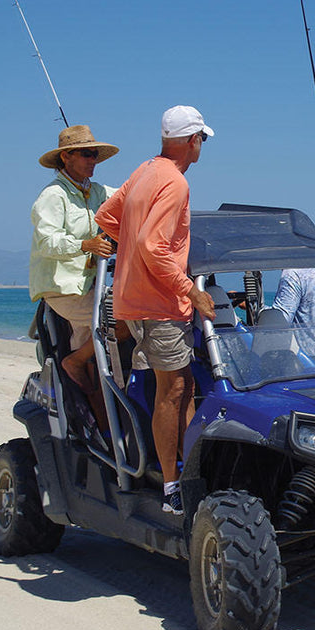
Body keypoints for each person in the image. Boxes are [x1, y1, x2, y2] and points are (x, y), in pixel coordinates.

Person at [95, 105, 216, 515]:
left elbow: (107, 216)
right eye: (202, 139)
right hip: (160, 304)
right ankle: (173, 489)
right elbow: (152, 244)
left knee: (180, 387)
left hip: (133, 301)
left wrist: (129, 252)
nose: (202, 146)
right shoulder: (175, 183)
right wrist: (190, 290)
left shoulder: (147, 169)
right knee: (175, 391)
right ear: (192, 140)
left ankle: (187, 476)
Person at [29, 124, 125, 430]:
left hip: (93, 287)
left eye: (95, 154)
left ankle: (106, 431)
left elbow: (128, 198)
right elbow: (46, 242)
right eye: (87, 154)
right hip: (64, 289)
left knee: (98, 364)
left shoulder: (96, 192)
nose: (93, 160)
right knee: (123, 323)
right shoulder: (52, 196)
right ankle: (73, 361)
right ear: (66, 157)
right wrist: (85, 245)